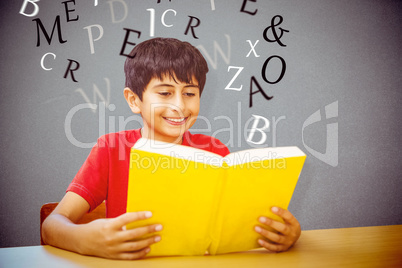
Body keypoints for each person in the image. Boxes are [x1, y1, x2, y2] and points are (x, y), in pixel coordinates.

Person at [41, 37, 301, 260]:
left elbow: (236, 226)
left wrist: (284, 234)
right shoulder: (112, 148)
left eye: (190, 93)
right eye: (165, 93)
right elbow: (51, 225)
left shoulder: (215, 150)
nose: (179, 105)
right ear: (134, 100)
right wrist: (84, 240)